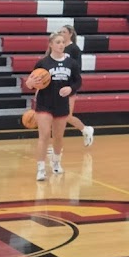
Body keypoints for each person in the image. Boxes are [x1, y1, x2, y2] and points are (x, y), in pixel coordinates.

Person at [25, 31, 83, 181]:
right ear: (51, 45)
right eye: (58, 42)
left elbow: (78, 82)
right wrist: (30, 83)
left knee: (58, 137)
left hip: (61, 104)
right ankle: (41, 168)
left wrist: (71, 89)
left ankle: (56, 162)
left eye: (63, 42)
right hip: (44, 104)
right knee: (44, 136)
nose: (61, 45)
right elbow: (30, 82)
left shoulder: (72, 63)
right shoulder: (43, 63)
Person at [59, 25, 94, 146]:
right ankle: (57, 145)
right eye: (60, 32)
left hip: (69, 86)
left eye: (64, 32)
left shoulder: (74, 49)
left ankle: (85, 130)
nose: (61, 33)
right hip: (58, 86)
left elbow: (77, 68)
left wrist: (72, 85)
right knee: (57, 117)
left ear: (70, 34)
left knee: (66, 116)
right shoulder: (59, 48)